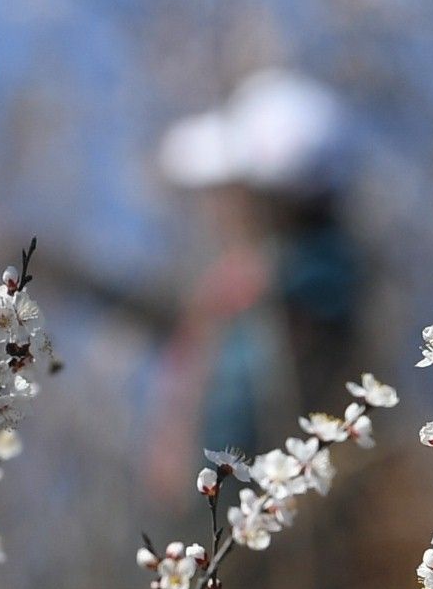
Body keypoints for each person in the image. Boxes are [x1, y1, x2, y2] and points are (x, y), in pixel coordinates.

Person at [144, 69, 368, 489]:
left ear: (273, 200)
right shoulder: (238, 295)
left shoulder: (304, 296)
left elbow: (249, 429)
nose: (216, 206)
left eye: (232, 189)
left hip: (261, 529)